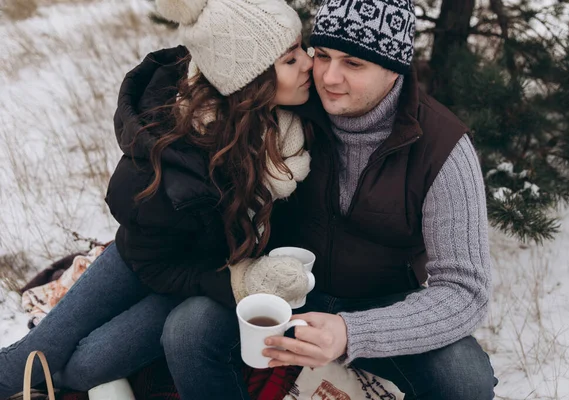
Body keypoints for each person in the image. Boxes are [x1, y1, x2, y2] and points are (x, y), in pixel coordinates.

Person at [161, 0, 498, 399]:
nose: (329, 78)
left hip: (381, 305)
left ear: (394, 68)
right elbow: (215, 85)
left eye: (353, 64)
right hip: (287, 289)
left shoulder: (442, 147)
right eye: (322, 55)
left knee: (466, 381)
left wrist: (353, 332)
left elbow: (465, 291)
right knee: (187, 331)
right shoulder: (289, 106)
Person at [0, 0, 314, 397]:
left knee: (84, 367)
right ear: (248, 80)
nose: (310, 63)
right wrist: (241, 280)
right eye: (290, 59)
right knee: (39, 349)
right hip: (149, 263)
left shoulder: (289, 128)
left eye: (302, 47)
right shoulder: (173, 156)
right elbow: (153, 264)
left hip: (200, 284)